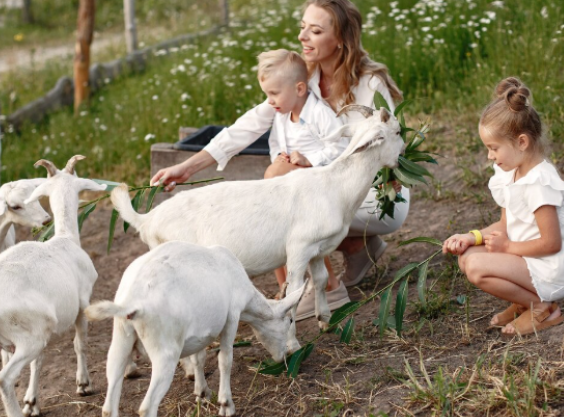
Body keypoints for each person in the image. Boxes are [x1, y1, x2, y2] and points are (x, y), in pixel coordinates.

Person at [150, 0, 408, 309]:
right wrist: (189, 167)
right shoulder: (303, 77)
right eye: (302, 27)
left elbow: (383, 147)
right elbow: (248, 126)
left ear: (341, 40)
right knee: (289, 187)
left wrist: (311, 163)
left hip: (375, 194)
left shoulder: (369, 84)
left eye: (315, 31)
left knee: (280, 188)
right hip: (328, 189)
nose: (302, 37)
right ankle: (357, 248)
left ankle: (320, 289)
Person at [442, 77, 564, 336]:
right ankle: (524, 302)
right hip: (527, 261)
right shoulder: (511, 174)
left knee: (476, 267)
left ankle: (543, 307)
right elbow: (505, 225)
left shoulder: (539, 184)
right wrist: (471, 237)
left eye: (493, 148)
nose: (489, 156)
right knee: (467, 258)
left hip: (549, 269)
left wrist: (507, 247)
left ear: (521, 142)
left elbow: (552, 243)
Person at [254, 49, 351, 314]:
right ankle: (285, 286)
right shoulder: (282, 116)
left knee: (295, 227)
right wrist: (280, 157)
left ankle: (315, 286)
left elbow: (340, 147)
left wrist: (310, 158)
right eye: (267, 94)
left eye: (274, 93)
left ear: (299, 88)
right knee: (274, 222)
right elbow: (274, 145)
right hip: (291, 188)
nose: (269, 101)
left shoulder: (319, 113)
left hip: (317, 186)